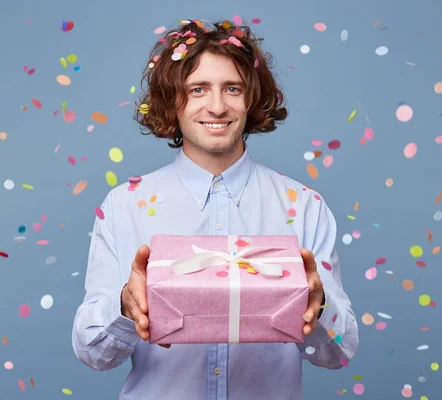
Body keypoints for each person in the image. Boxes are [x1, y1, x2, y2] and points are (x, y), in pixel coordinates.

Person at [72, 18, 358, 400]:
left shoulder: (304, 206)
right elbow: (92, 352)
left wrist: (317, 308)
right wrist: (125, 306)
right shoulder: (125, 205)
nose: (217, 106)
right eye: (197, 89)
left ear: (252, 98)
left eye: (232, 88)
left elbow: (339, 352)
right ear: (173, 100)